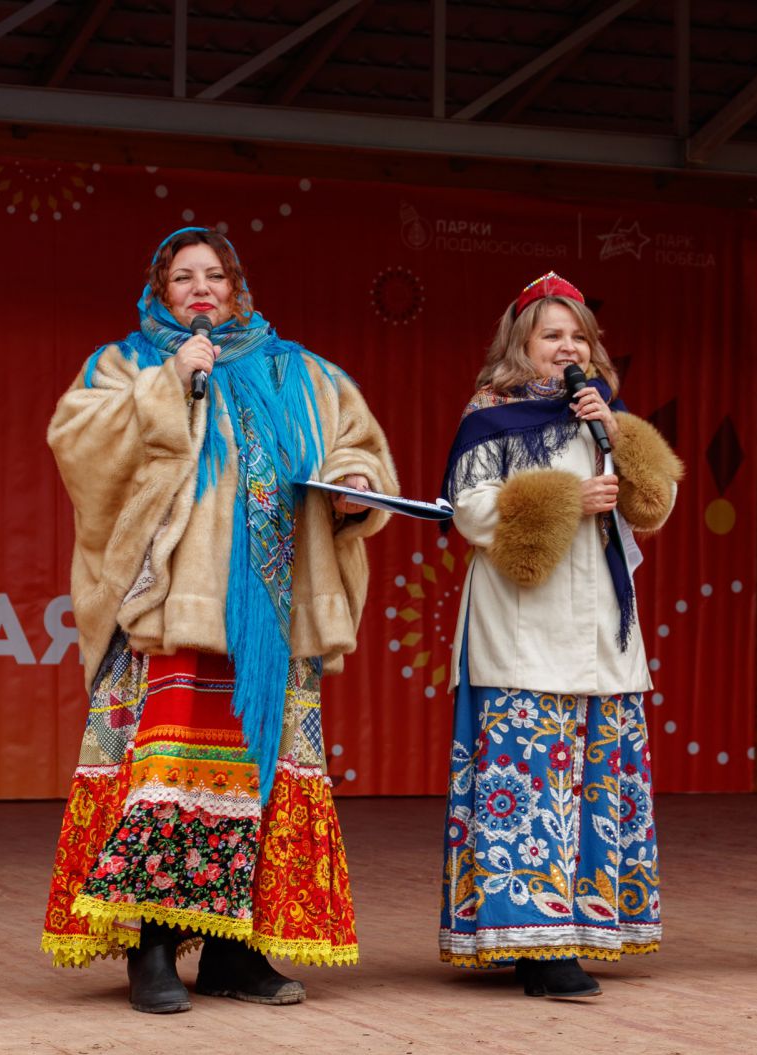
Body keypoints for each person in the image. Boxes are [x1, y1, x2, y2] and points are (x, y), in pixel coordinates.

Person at [39, 227, 398, 1013]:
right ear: (159, 291)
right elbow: (77, 444)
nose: (200, 289)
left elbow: (356, 446)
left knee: (263, 780)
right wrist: (168, 385)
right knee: (168, 779)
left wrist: (355, 485)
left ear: (237, 289)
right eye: (182, 278)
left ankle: (235, 955)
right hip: (174, 613)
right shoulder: (126, 363)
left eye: (214, 276)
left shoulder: (302, 371)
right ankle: (152, 949)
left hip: (274, 618)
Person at [437, 272, 683, 999]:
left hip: (600, 626)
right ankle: (534, 943)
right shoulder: (490, 416)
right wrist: (568, 499)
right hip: (522, 625)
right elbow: (470, 511)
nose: (567, 346)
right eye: (552, 335)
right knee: (528, 778)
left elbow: (655, 507)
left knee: (594, 775)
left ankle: (583, 924)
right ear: (522, 344)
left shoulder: (605, 416)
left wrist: (618, 433)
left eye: (579, 335)